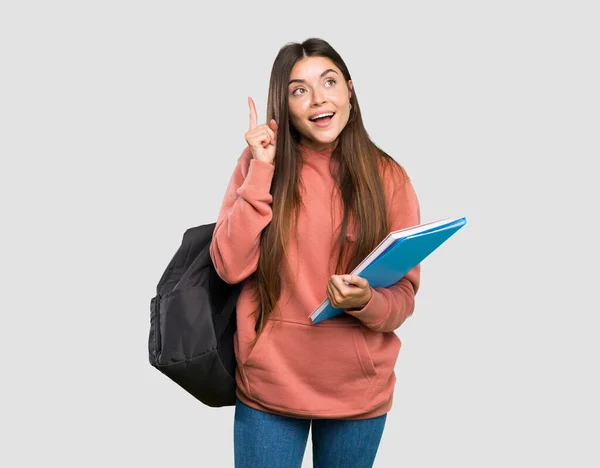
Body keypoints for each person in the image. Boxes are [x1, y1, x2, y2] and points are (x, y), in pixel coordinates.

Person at [210, 37, 421, 468]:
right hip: (270, 386)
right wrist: (262, 169)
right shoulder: (257, 166)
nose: (318, 99)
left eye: (329, 82)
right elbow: (229, 266)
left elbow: (402, 300)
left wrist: (367, 301)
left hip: (357, 390)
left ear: (349, 89)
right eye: (299, 90)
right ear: (283, 105)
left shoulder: (390, 178)